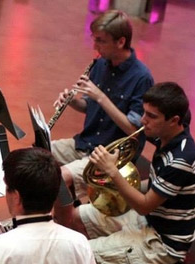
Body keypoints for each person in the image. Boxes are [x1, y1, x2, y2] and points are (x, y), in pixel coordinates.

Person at [54, 82, 195, 264]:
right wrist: (113, 184)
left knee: (84, 256)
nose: (143, 121)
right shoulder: (167, 137)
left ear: (174, 120)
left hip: (164, 240)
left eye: (151, 116)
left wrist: (113, 172)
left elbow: (144, 206)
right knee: (77, 217)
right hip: (152, 220)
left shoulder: (181, 159)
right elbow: (154, 187)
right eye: (144, 112)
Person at [51, 10, 154, 200]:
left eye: (101, 41)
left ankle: (63, 221)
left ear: (121, 42)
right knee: (39, 153)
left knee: (60, 177)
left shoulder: (141, 78)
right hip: (85, 143)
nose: (95, 45)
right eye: (94, 39)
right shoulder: (100, 64)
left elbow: (134, 130)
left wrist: (101, 97)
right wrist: (72, 101)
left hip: (110, 156)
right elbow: (88, 107)